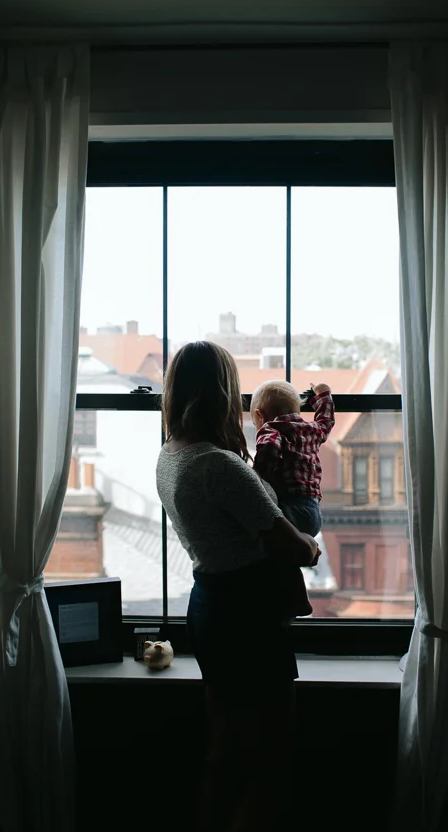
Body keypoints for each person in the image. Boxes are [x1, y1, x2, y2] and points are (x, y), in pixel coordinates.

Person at [156, 341, 320, 832]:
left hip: (210, 605)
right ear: (223, 392)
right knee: (267, 755)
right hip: (246, 617)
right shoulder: (219, 466)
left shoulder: (171, 454)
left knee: (227, 749)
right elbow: (291, 547)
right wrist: (311, 545)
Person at [250, 379, 335, 615]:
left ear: (259, 414)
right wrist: (323, 394)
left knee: (266, 542)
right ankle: (297, 601)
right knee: (286, 557)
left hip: (290, 507)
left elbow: (268, 451)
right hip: (313, 512)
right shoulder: (311, 430)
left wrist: (257, 477)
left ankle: (290, 601)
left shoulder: (271, 430)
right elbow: (326, 421)